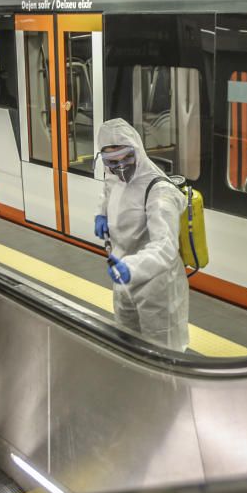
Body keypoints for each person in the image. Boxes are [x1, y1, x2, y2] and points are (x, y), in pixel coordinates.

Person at [93, 118, 190, 352]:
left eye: (126, 157)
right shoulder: (114, 175)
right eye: (111, 161)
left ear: (137, 150)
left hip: (156, 287)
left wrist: (131, 268)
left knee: (163, 354)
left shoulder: (160, 192)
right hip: (124, 282)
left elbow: (165, 247)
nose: (120, 166)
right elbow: (109, 190)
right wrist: (102, 213)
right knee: (127, 345)